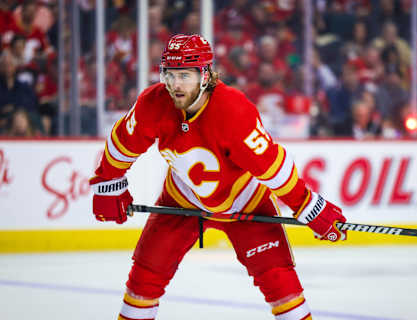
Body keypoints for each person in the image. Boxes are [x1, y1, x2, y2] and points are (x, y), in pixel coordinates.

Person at [89, 34, 347, 320]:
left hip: (244, 202)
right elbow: (123, 141)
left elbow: (272, 167)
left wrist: (307, 205)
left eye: (184, 75)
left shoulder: (232, 111)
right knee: (144, 278)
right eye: (169, 75)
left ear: (206, 74)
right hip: (181, 200)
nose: (175, 85)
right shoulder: (154, 103)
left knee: (281, 285)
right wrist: (108, 182)